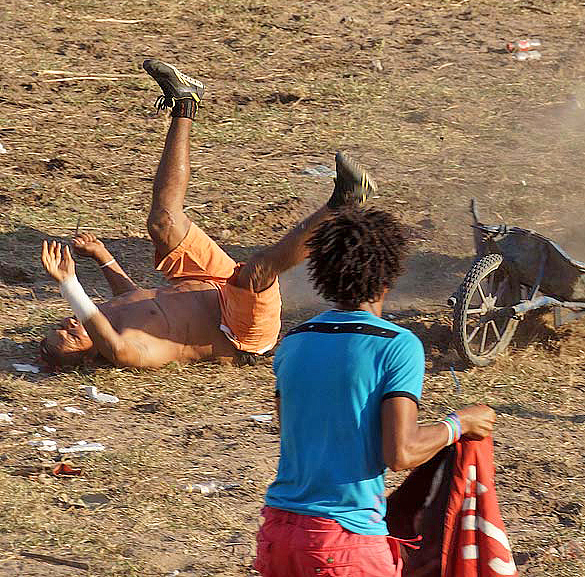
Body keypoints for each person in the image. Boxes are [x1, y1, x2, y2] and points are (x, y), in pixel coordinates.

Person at [39, 59, 376, 369]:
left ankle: (185, 102)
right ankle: (343, 203)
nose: (68, 324)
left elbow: (134, 299)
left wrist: (103, 257)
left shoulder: (107, 316)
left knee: (163, 223)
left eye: (60, 327)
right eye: (69, 337)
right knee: (256, 272)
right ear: (87, 356)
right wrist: (69, 284)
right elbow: (115, 347)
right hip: (238, 328)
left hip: (204, 282)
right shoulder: (133, 350)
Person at [255, 206, 497, 577]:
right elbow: (401, 453)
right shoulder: (397, 346)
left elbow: (291, 429)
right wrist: (459, 423)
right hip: (343, 544)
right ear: (389, 276)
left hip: (277, 534)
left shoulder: (294, 342)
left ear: (322, 273)